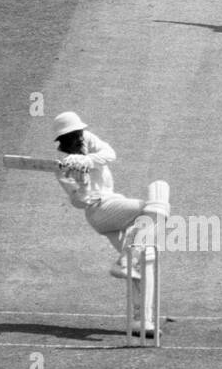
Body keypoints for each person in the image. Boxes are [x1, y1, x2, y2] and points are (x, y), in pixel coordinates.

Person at [52, 111, 155, 285]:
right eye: (75, 136)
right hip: (99, 209)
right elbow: (79, 202)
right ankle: (122, 263)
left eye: (80, 134)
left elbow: (110, 154)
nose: (80, 139)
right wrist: (83, 183)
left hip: (110, 205)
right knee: (152, 209)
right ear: (64, 139)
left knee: (139, 259)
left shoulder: (86, 140)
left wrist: (88, 160)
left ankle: (126, 265)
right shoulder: (63, 166)